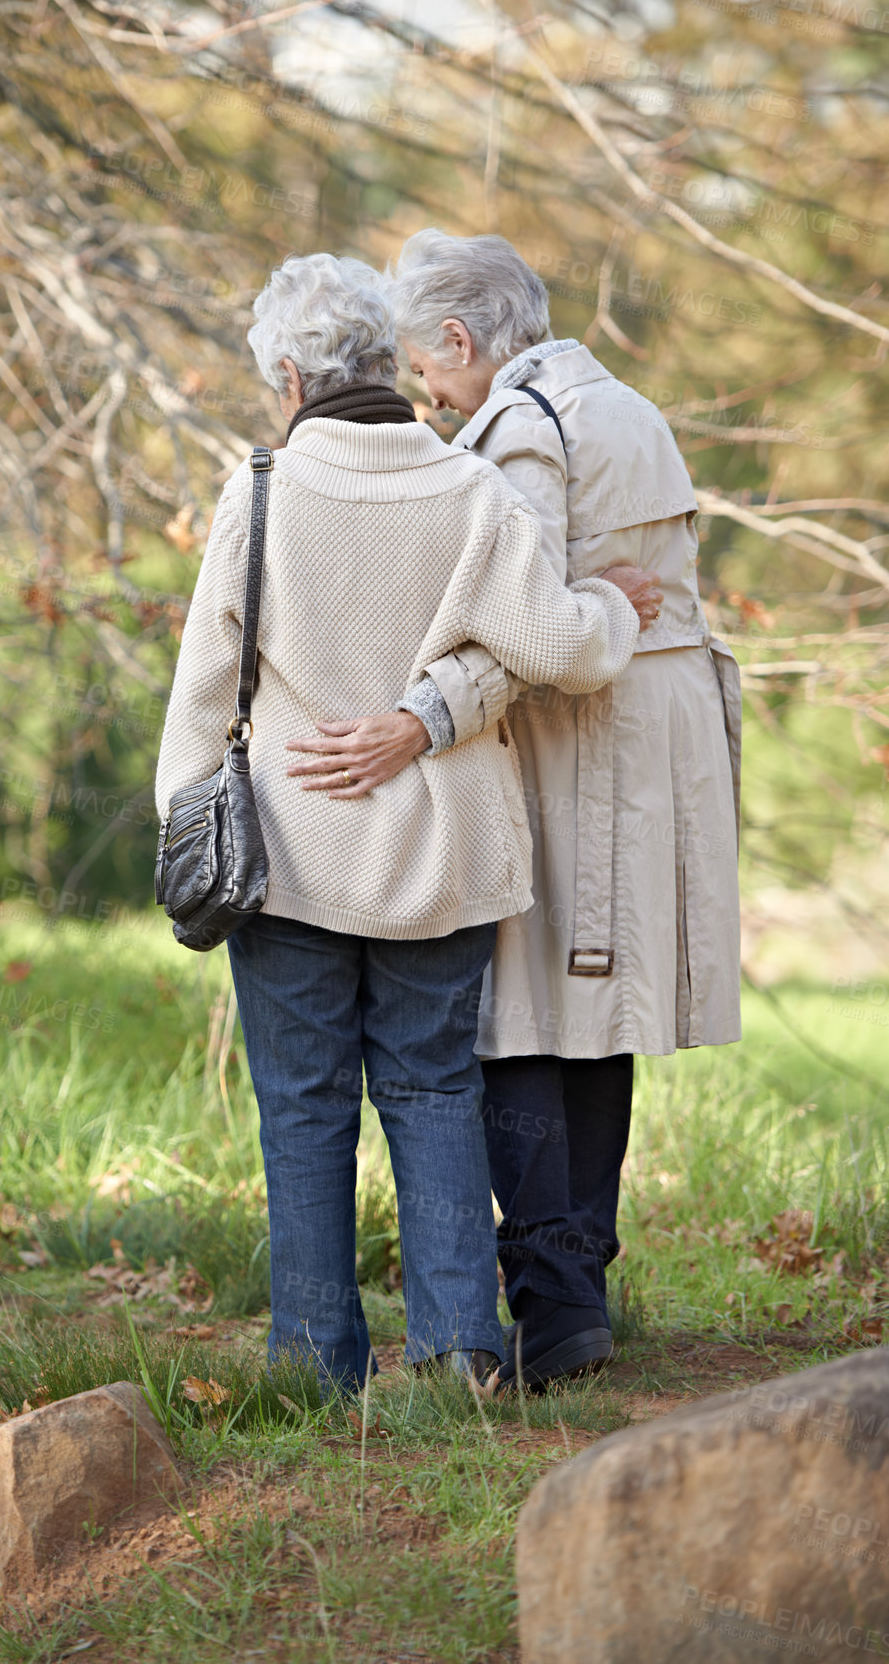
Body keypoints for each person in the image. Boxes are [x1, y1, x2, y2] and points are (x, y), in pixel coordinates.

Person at [156, 252, 662, 1395]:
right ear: (388, 358)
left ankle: (317, 1365)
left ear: (290, 374)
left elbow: (202, 691)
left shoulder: (263, 490)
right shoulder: (467, 489)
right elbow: (561, 650)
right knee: (436, 1095)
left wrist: (183, 834)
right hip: (441, 860)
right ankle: (457, 1356)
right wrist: (611, 612)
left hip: (289, 861)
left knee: (303, 1109)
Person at [286, 230, 741, 1390]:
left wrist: (418, 721)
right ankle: (574, 1280)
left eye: (427, 367)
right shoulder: (625, 403)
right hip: (657, 746)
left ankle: (554, 1288)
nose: (426, 397)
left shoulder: (523, 425)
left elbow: (527, 632)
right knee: (596, 1013)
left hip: (571, 744)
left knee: (518, 1010)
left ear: (459, 338)